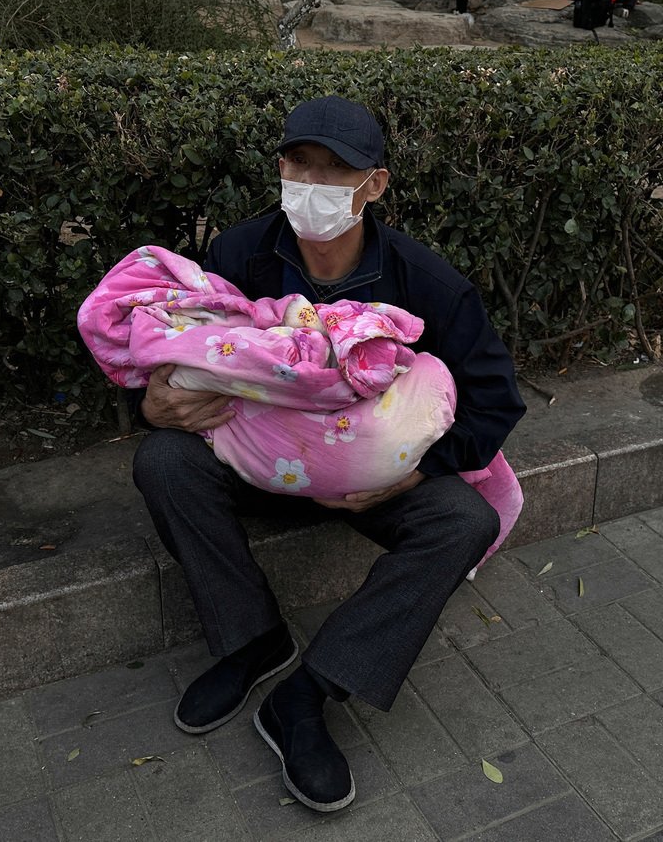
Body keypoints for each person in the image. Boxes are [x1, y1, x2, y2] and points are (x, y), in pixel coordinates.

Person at [130, 95, 526, 812]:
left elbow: (496, 400)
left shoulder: (427, 283)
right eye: (299, 165)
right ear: (280, 169)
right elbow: (174, 349)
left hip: (372, 481)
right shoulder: (236, 256)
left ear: (374, 185)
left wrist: (412, 474)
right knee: (162, 461)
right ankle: (252, 640)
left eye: (336, 172)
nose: (312, 185)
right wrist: (151, 405)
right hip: (260, 466)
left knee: (464, 520)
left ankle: (308, 693)